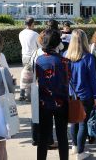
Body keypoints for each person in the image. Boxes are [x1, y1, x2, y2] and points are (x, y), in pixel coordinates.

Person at [33, 29, 70, 160]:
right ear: (57, 43)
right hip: (62, 102)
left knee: (43, 136)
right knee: (62, 136)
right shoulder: (65, 61)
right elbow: (68, 81)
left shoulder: (38, 61)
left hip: (44, 102)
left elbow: (36, 80)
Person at [65, 29, 96, 160]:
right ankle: (80, 152)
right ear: (84, 40)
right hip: (85, 95)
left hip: (70, 94)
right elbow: (93, 80)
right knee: (83, 123)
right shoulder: (88, 57)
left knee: (74, 121)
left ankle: (74, 146)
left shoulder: (65, 56)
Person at [18, 17, 40, 101]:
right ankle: (28, 96)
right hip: (33, 56)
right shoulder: (35, 34)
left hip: (24, 56)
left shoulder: (21, 33)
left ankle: (22, 94)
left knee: (24, 74)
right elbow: (40, 46)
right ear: (32, 24)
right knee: (32, 77)